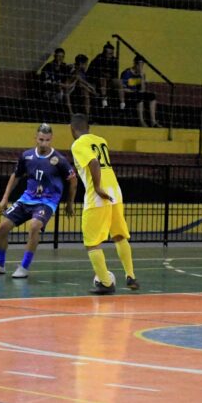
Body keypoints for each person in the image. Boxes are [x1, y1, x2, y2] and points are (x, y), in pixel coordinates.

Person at [0, 123, 77, 278]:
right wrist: (5, 198)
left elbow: (73, 181)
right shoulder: (26, 156)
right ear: (35, 138)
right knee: (3, 227)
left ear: (51, 139)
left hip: (46, 202)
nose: (44, 143)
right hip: (27, 199)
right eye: (41, 139)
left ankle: (24, 267)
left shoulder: (59, 160)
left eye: (47, 140)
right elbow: (16, 176)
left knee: (34, 226)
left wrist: (69, 203)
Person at [70, 113, 138, 294]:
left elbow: (93, 163)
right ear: (88, 128)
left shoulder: (78, 144)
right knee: (119, 235)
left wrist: (98, 187)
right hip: (116, 192)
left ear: (72, 129)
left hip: (98, 195)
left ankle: (106, 283)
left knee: (92, 243)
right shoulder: (101, 140)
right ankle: (130, 275)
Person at [120, 55, 160, 127]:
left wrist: (142, 78)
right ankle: (141, 121)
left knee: (152, 96)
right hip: (129, 93)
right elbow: (122, 88)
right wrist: (133, 91)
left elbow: (143, 90)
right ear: (135, 64)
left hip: (137, 93)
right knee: (139, 97)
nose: (140, 67)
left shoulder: (141, 75)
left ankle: (153, 121)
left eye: (142, 65)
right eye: (139, 64)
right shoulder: (127, 73)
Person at [87, 42, 121, 109]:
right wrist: (103, 74)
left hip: (110, 81)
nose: (111, 55)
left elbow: (115, 74)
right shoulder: (98, 59)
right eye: (109, 54)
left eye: (112, 53)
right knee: (103, 79)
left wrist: (110, 76)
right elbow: (92, 71)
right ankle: (104, 102)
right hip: (98, 81)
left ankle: (122, 105)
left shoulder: (114, 60)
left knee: (118, 82)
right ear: (104, 53)